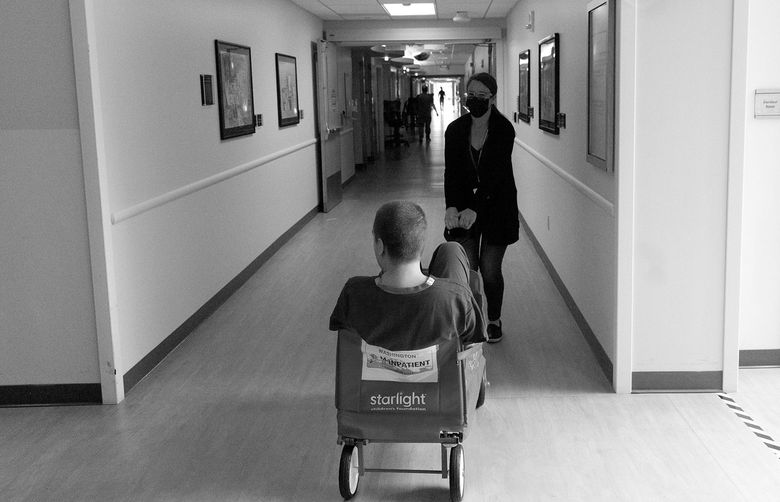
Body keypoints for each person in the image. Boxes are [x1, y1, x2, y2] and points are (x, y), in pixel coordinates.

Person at [329, 201, 486, 350]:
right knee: (451, 249)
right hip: (443, 375)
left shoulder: (354, 291)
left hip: (373, 377)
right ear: (420, 244)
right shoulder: (457, 297)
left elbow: (345, 335)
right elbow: (472, 342)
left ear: (380, 246)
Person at [443, 72, 519, 343]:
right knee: (469, 271)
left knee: (489, 270)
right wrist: (451, 207)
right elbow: (451, 173)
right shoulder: (455, 130)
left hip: (498, 209)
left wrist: (475, 208)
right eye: (470, 94)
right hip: (463, 212)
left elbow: (495, 176)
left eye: (481, 96)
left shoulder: (503, 129)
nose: (474, 100)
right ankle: (472, 320)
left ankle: (494, 319)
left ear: (492, 98)